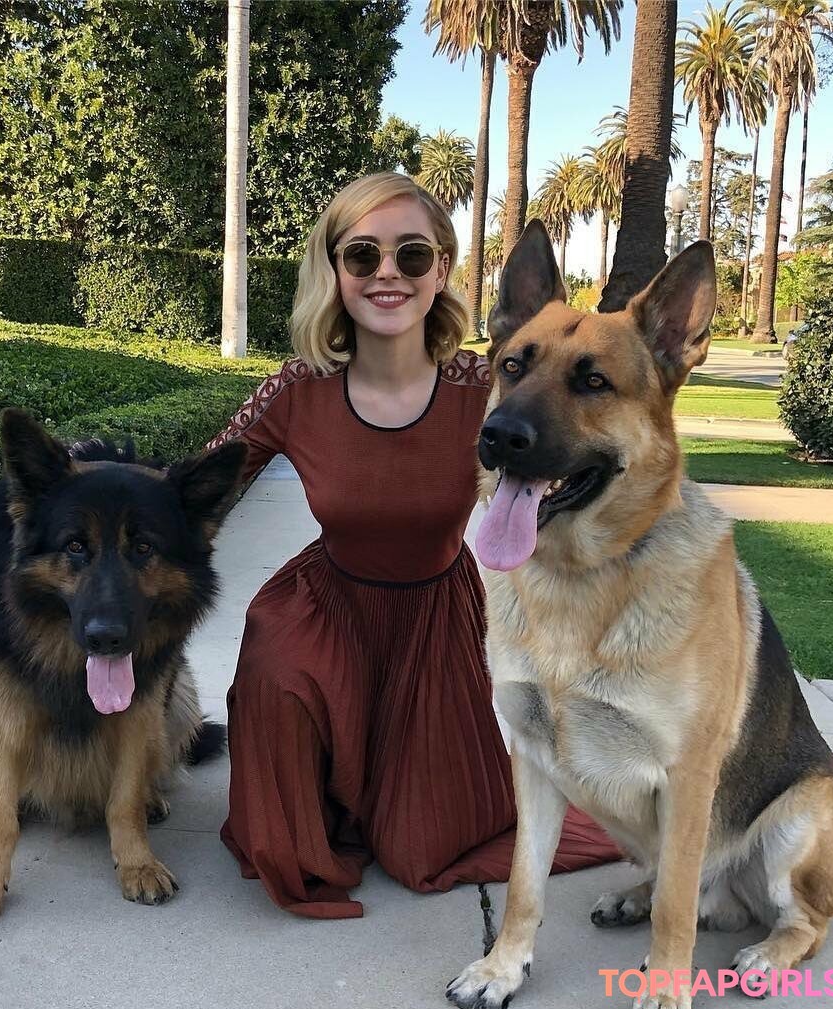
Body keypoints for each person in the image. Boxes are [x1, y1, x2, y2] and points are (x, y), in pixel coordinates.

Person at [206, 172, 618, 919]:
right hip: (325, 606)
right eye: (362, 255)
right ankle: (319, 792)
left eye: (413, 255)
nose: (387, 273)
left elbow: (575, 453)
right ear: (334, 270)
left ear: (442, 269)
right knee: (276, 680)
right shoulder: (298, 387)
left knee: (421, 847)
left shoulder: (487, 386)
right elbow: (196, 486)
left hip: (434, 620)